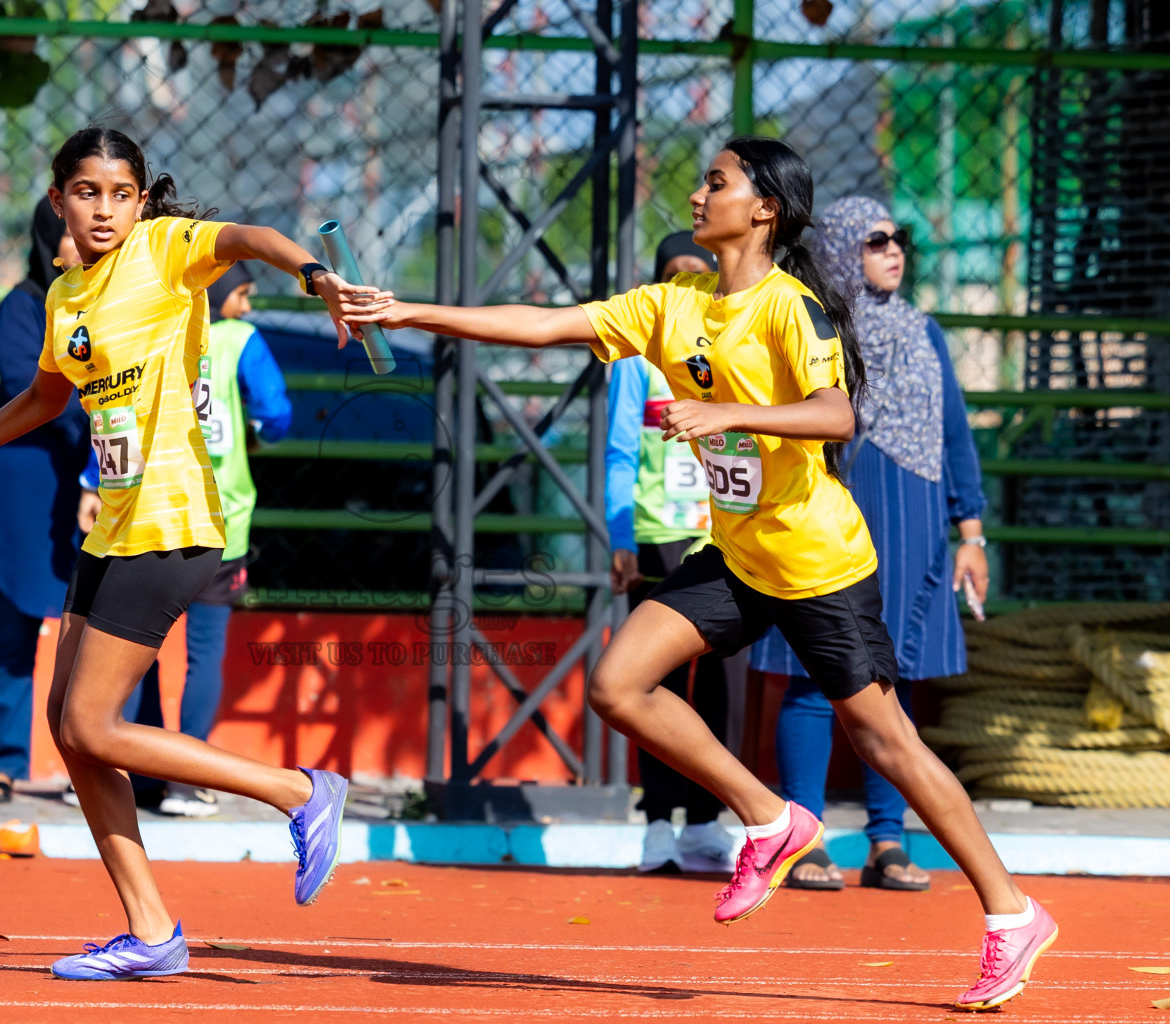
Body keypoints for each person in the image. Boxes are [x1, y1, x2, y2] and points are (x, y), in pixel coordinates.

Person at [343, 136, 1056, 1013]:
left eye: (716, 181)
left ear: (764, 209)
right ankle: (771, 816)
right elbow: (543, 325)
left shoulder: (792, 308)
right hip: (737, 553)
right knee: (617, 684)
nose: (697, 192)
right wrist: (405, 312)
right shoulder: (671, 302)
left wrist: (725, 409)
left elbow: (837, 415)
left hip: (816, 560)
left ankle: (1011, 913)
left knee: (886, 743)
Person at [0, 126, 369, 981]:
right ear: (59, 199)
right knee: (71, 732)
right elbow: (39, 400)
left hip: (174, 523)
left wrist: (314, 275)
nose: (104, 209)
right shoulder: (66, 300)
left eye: (120, 193)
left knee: (93, 723)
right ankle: (150, 931)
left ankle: (297, 792)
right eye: (87, 193)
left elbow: (250, 237)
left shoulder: (169, 252)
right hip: (113, 528)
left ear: (141, 201)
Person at [763, 196, 989, 894]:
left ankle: (887, 840)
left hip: (916, 512)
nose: (893, 251)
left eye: (898, 239)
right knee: (813, 673)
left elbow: (954, 434)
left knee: (895, 676)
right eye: (874, 241)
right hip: (831, 506)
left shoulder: (924, 331)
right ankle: (802, 835)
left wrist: (971, 530)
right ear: (837, 250)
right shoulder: (813, 326)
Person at [79, 263, 292, 817]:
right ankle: (187, 784)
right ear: (221, 291)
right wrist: (259, 435)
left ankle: (118, 768)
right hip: (224, 523)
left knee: (126, 652)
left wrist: (89, 480)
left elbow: (114, 406)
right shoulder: (241, 341)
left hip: (154, 516)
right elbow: (277, 414)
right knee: (206, 654)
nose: (245, 306)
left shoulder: (164, 326)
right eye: (242, 293)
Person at [608, 232, 740, 873]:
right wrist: (619, 538)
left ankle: (706, 822)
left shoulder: (727, 346)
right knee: (648, 679)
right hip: (659, 534)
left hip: (720, 533)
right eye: (672, 272)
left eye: (696, 269)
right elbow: (618, 453)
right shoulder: (637, 358)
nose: (684, 282)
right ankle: (658, 823)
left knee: (716, 683)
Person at [0, 199, 89, 805]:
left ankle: (111, 764)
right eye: (65, 231)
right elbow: (32, 385)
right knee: (16, 625)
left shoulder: (116, 295)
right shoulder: (23, 305)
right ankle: (0, 761)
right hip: (29, 486)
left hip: (100, 482)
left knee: (106, 634)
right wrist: (99, 396)